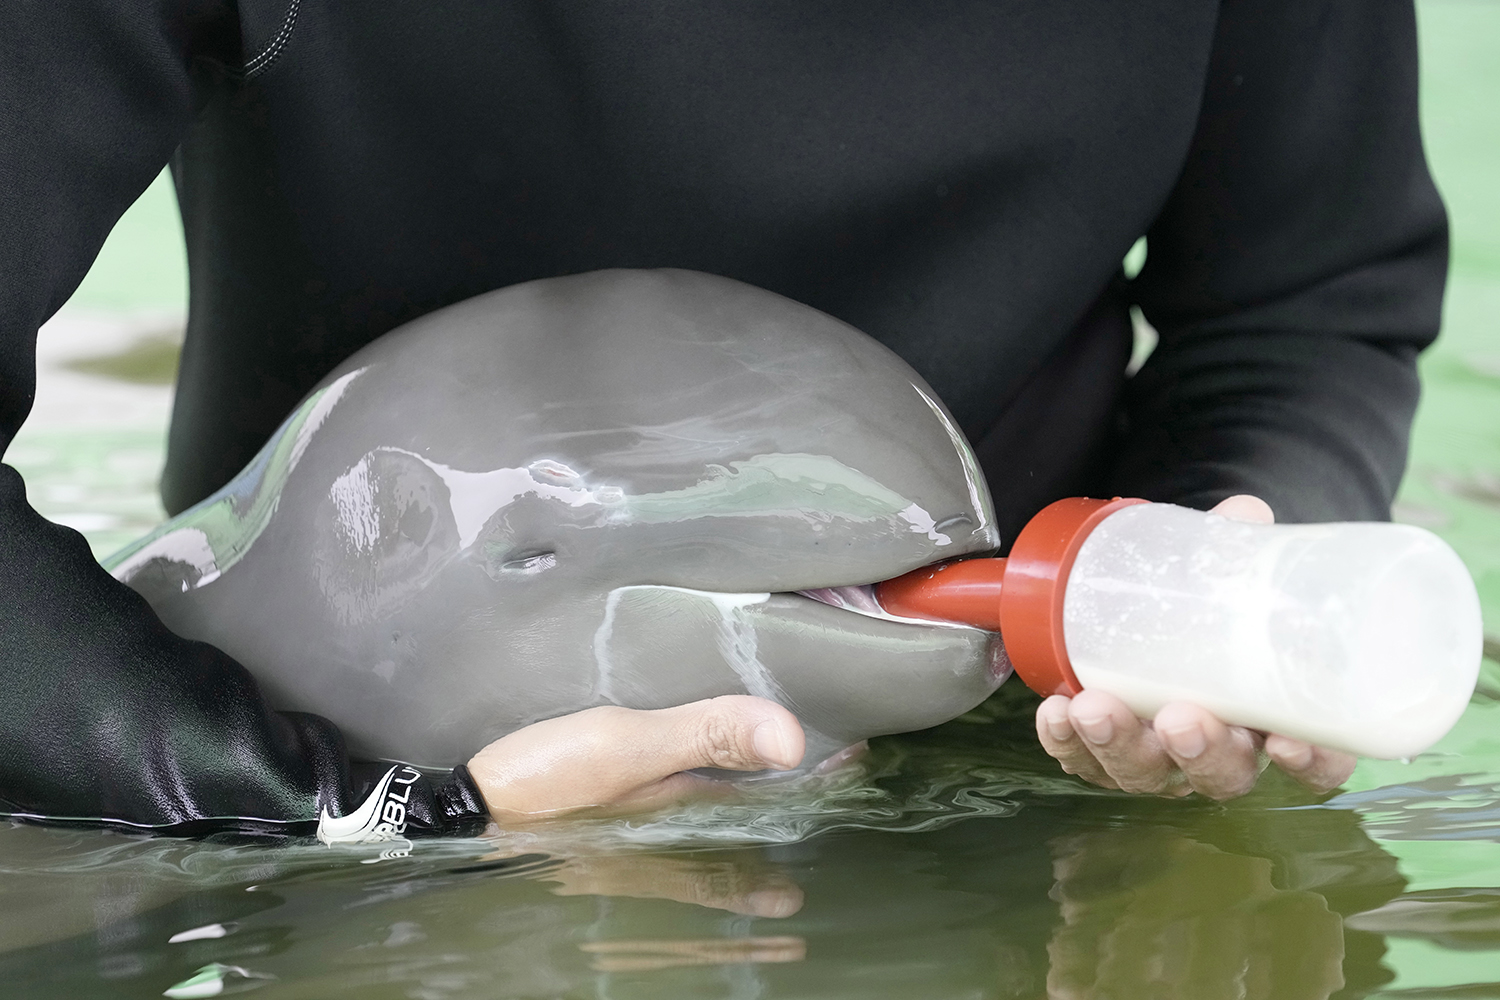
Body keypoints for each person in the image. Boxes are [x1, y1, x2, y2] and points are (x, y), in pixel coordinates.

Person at [0, 0, 1446, 835]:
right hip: (280, 745)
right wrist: (374, 815)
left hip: (1024, 741)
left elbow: (1303, 299)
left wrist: (1208, 576)